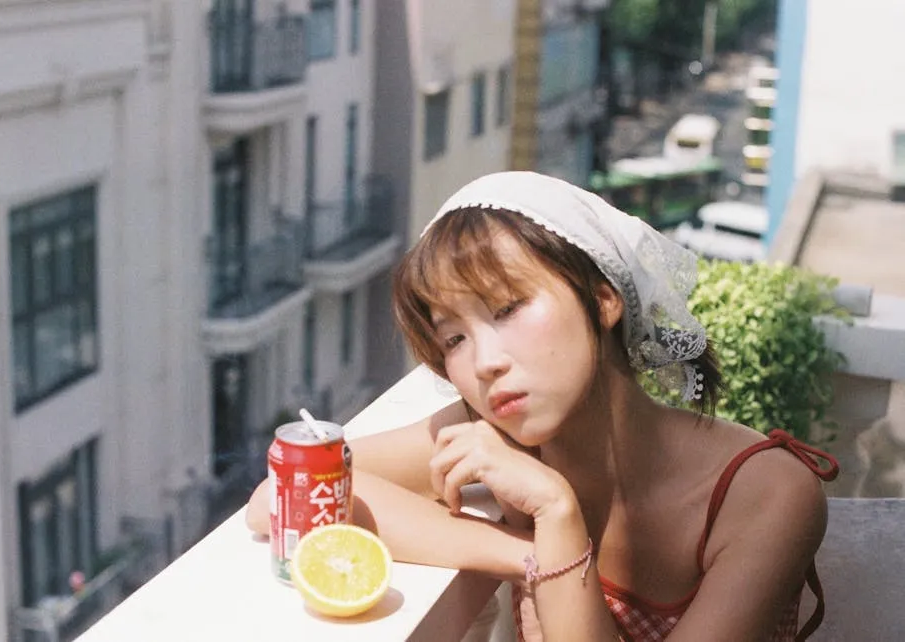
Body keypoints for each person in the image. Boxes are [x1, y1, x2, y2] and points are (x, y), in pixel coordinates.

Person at [246, 172, 839, 641]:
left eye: (506, 309)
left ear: (603, 298)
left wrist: (557, 511)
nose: (485, 362)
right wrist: (533, 554)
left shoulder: (765, 492)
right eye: (454, 338)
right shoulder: (501, 432)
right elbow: (278, 499)